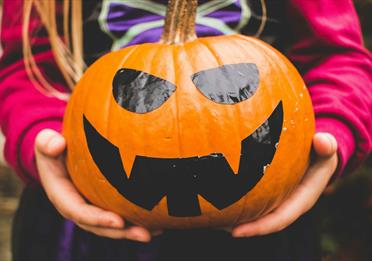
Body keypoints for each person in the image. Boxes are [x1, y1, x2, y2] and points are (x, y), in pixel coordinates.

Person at [0, 0, 371, 260]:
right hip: (82, 225)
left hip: (264, 221)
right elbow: (27, 68)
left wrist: (334, 131)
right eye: (139, 91)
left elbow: (338, 56)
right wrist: (41, 141)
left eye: (230, 86)